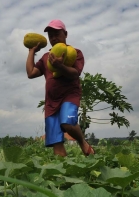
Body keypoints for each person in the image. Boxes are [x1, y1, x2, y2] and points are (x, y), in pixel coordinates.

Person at [26, 19, 94, 157]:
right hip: (51, 103)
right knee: (56, 142)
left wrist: (60, 66)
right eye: (50, 35)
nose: (53, 38)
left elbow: (75, 73)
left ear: (66, 34)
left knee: (67, 123)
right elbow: (31, 73)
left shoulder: (75, 52)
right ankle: (62, 173)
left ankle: (82, 142)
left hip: (69, 96)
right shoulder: (46, 57)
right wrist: (31, 51)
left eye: (57, 34)